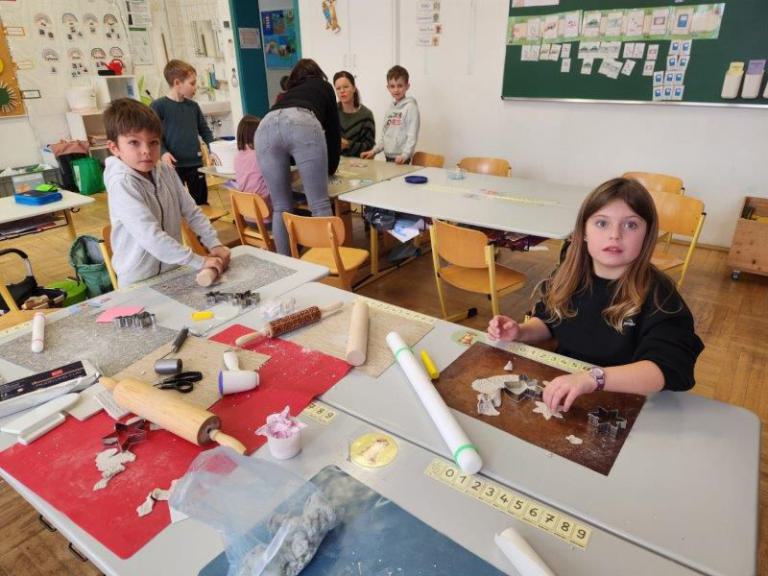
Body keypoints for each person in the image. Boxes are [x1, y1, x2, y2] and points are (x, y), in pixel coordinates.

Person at [487, 177, 704, 413]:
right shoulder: (568, 275)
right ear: (584, 232)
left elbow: (667, 368)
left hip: (626, 401)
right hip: (567, 391)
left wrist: (594, 378)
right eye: (602, 223)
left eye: (631, 225)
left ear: (647, 235)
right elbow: (549, 321)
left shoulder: (660, 295)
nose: (615, 235)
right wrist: (520, 331)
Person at [104, 98, 230, 287]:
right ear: (114, 148)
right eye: (134, 143)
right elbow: (150, 236)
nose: (146, 151)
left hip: (172, 270)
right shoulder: (122, 183)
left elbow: (191, 211)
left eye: (153, 142)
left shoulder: (165, 171)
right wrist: (199, 261)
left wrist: (214, 243)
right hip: (138, 280)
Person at [255, 58, 341, 255]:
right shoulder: (324, 86)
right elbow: (333, 132)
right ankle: (326, 264)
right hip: (302, 121)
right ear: (318, 74)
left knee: (280, 207)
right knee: (319, 205)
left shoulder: (287, 94)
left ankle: (285, 264)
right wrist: (330, 168)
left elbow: (286, 142)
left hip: (264, 126)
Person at [151, 59, 214, 205]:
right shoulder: (158, 106)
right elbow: (153, 136)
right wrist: (163, 152)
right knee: (176, 204)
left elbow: (205, 131)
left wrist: (213, 149)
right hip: (173, 166)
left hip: (196, 164)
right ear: (177, 83)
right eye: (192, 83)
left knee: (201, 203)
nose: (195, 87)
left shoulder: (193, 106)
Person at [361, 65, 419, 164]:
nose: (396, 90)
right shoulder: (390, 109)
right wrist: (373, 151)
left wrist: (405, 155)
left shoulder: (411, 107)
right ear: (388, 87)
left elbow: (412, 136)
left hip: (402, 159)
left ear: (407, 86)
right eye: (392, 86)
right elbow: (384, 136)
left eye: (400, 86)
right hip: (388, 157)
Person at [333, 71, 375, 158]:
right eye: (338, 88)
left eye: (346, 87)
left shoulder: (366, 115)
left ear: (354, 88)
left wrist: (348, 144)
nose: (342, 91)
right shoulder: (331, 112)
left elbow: (369, 147)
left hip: (359, 163)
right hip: (335, 162)